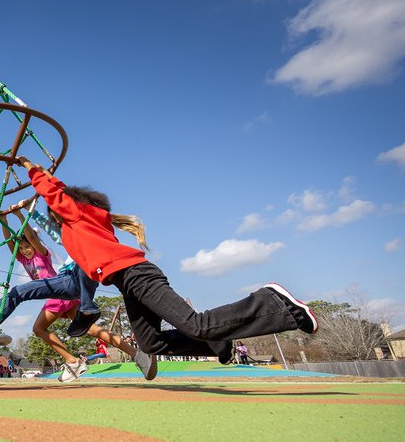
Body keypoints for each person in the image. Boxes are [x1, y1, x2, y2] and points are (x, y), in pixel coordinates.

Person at [17, 157, 318, 380]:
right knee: (150, 342)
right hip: (128, 284)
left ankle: (275, 303)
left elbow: (55, 193)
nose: (56, 215)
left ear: (69, 206)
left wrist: (31, 168)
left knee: (195, 324)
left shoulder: (78, 216)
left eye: (57, 211)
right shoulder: (84, 225)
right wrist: (23, 215)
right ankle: (218, 345)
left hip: (138, 274)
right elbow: (51, 211)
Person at [0, 201, 147, 383]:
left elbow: (32, 239)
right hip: (65, 296)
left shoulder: (41, 253)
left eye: (28, 248)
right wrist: (4, 220)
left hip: (57, 292)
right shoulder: (23, 259)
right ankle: (136, 354)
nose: (26, 251)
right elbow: (11, 244)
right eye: (23, 249)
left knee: (38, 328)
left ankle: (72, 361)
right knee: (94, 330)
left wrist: (20, 216)